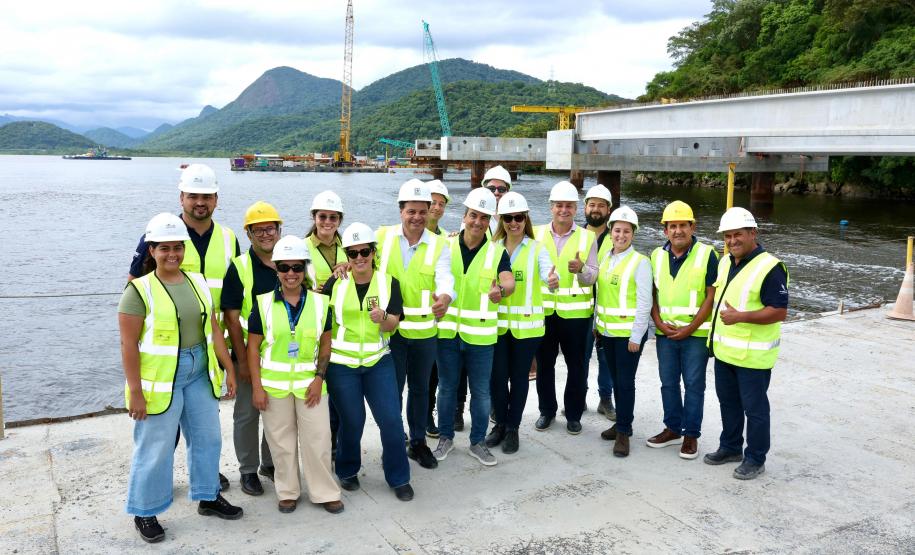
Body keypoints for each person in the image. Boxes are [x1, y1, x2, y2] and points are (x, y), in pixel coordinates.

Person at [119, 213, 242, 544]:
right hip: (162, 379)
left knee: (208, 438)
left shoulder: (197, 281)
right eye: (164, 248)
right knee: (155, 447)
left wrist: (229, 367)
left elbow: (213, 328)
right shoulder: (138, 291)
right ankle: (144, 511)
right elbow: (128, 345)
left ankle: (207, 495)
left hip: (199, 371)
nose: (172, 254)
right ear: (151, 251)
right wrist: (136, 393)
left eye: (178, 247)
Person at [127, 163, 240, 491]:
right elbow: (134, 286)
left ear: (217, 199)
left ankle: (205, 481)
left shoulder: (229, 239)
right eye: (193, 196)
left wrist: (231, 358)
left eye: (206, 196)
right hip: (164, 354)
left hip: (208, 350)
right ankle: (153, 493)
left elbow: (236, 293)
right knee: (161, 434)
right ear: (181, 197)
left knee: (204, 429)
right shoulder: (164, 233)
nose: (200, 202)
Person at [246, 235, 344, 514]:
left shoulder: (320, 304)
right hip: (274, 387)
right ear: (276, 269)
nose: (291, 274)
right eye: (285, 267)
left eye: (297, 267)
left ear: (305, 270)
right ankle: (287, 491)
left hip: (310, 387)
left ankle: (325, 492)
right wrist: (256, 387)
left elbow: (326, 344)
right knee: (281, 442)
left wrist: (319, 379)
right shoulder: (262, 304)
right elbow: (252, 349)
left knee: (319, 440)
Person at [323, 223, 415, 501]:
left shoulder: (389, 283)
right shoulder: (335, 283)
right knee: (353, 421)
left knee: (391, 420)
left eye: (364, 251)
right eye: (352, 253)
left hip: (378, 363)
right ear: (346, 256)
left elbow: (393, 326)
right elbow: (322, 325)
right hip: (342, 366)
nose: (359, 257)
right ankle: (348, 469)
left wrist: (383, 318)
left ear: (373, 252)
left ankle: (398, 477)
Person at [375, 180, 454, 470]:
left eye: (423, 211)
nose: (417, 217)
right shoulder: (381, 238)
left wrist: (445, 297)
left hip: (424, 333)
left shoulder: (439, 245)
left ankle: (418, 443)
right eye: (411, 211)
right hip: (391, 331)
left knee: (420, 390)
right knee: (391, 392)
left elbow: (446, 278)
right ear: (400, 211)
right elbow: (361, 261)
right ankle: (393, 444)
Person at [704, 207, 788, 480]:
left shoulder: (770, 267)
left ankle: (755, 458)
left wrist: (741, 317)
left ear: (753, 233)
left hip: (752, 356)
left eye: (737, 234)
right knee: (727, 403)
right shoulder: (726, 261)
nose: (731, 241)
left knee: (755, 410)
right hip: (725, 352)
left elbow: (779, 311)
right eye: (727, 236)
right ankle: (730, 447)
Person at [433, 188, 515, 466]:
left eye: (483, 217)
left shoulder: (496, 252)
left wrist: (500, 292)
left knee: (481, 392)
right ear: (464, 215)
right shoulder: (445, 245)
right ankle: (445, 438)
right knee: (446, 388)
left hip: (480, 337)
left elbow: (508, 282)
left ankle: (477, 442)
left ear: (491, 219)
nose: (477, 222)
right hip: (447, 334)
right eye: (473, 216)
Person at [485, 192, 555, 454]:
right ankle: (499, 424)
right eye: (508, 218)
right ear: (500, 219)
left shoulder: (537, 249)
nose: (513, 223)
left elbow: (549, 273)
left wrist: (553, 280)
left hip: (528, 328)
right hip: (499, 326)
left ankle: (513, 428)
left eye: (518, 217)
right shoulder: (492, 250)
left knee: (519, 379)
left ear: (526, 219)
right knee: (497, 378)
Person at [647, 201, 718, 459]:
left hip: (695, 335)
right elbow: (651, 294)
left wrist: (690, 328)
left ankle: (691, 435)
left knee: (693, 385)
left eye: (682, 225)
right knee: (668, 383)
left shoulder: (708, 254)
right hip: (664, 333)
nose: (678, 231)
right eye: (672, 226)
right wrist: (657, 322)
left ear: (692, 227)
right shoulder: (656, 256)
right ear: (665, 230)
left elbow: (711, 297)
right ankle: (672, 428)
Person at [221, 201, 282, 495]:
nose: (266, 235)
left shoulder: (291, 262)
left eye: (270, 228)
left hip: (281, 357)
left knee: (277, 412)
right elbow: (232, 318)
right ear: (248, 234)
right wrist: (242, 362)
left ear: (278, 230)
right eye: (258, 230)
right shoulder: (239, 268)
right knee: (247, 414)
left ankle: (269, 463)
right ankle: (247, 470)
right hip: (249, 354)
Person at [533, 181, 599, 435]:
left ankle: (573, 414)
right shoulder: (536, 235)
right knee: (544, 365)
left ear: (576, 209)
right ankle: (546, 411)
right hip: (545, 313)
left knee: (577, 367)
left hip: (576, 315)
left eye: (569, 206)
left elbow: (593, 276)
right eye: (559, 205)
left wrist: (581, 269)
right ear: (551, 207)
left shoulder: (586, 237)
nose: (564, 210)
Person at [595, 206, 653, 458]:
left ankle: (624, 432)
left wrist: (636, 336)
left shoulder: (641, 262)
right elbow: (602, 296)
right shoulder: (605, 258)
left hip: (627, 336)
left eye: (626, 231)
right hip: (606, 332)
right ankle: (619, 424)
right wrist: (598, 326)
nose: (621, 235)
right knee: (617, 381)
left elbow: (644, 302)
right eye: (617, 230)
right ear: (610, 232)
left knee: (625, 383)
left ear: (633, 234)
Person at [583, 184, 616, 421]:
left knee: (606, 357)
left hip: (607, 306)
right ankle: (578, 397)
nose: (596, 209)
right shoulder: (576, 235)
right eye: (592, 204)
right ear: (585, 207)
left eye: (601, 205)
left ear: (609, 209)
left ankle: (605, 399)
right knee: (580, 356)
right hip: (580, 306)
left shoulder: (616, 237)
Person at [424, 178, 450, 439]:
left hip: (434, 316)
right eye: (433, 202)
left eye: (441, 204)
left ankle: (426, 415)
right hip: (404, 316)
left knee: (431, 373)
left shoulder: (447, 240)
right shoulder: (398, 235)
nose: (437, 207)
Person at [305, 190, 347, 290]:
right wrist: (310, 294)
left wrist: (352, 266)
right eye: (322, 217)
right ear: (314, 217)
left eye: (333, 218)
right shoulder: (301, 247)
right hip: (314, 304)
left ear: (339, 220)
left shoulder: (350, 247)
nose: (327, 222)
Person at [482, 165, 512, 235]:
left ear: (507, 191)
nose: (496, 192)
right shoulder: (474, 214)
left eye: (501, 189)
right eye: (491, 188)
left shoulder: (517, 216)